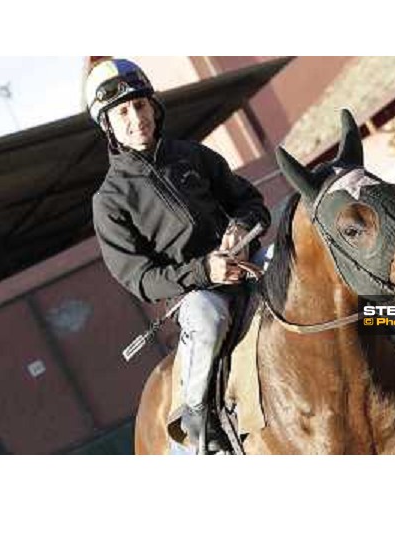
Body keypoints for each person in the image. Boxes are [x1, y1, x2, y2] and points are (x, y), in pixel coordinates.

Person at [85, 58, 271, 453]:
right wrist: (205, 270)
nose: (136, 118)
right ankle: (198, 419)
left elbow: (251, 202)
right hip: (195, 296)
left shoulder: (192, 155)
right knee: (209, 318)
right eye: (122, 112)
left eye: (140, 105)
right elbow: (140, 279)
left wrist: (241, 226)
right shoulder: (109, 201)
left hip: (248, 265)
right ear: (108, 126)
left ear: (153, 107)